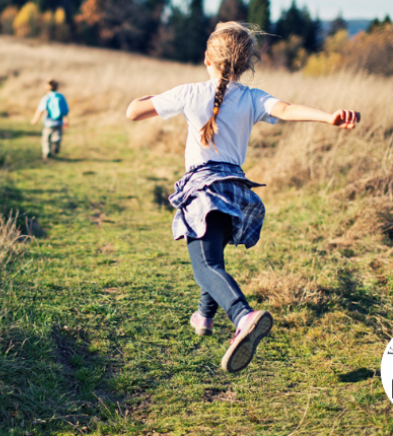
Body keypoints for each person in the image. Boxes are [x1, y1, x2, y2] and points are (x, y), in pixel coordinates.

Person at [125, 22, 360, 373]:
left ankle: (243, 316)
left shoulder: (189, 93)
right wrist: (329, 118)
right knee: (213, 254)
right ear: (245, 64)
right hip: (234, 190)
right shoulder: (252, 98)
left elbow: (132, 112)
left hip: (203, 188)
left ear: (208, 57)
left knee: (205, 266)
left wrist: (147, 99)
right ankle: (204, 317)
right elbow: (287, 109)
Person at [31, 79, 69, 160]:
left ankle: (46, 152)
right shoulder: (61, 97)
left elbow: (40, 110)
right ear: (57, 87)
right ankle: (56, 143)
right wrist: (66, 120)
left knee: (46, 138)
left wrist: (35, 119)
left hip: (48, 123)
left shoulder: (46, 98)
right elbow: (65, 110)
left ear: (46, 88)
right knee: (57, 135)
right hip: (59, 122)